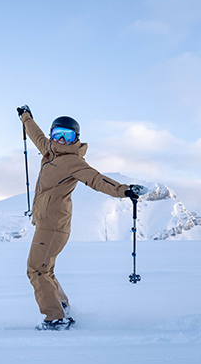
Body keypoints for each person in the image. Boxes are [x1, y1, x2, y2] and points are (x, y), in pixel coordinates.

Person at [16, 105, 146, 330]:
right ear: (52, 135)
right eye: (58, 134)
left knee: (36, 269)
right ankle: (62, 308)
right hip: (47, 223)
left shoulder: (73, 162)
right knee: (45, 269)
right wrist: (25, 117)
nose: (62, 140)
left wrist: (124, 190)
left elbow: (97, 180)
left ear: (76, 138)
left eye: (68, 136)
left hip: (53, 226)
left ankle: (55, 318)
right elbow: (35, 134)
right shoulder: (49, 151)